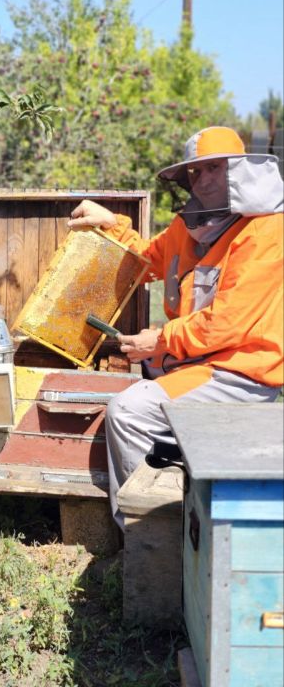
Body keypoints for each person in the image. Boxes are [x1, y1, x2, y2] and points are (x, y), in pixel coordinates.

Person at [67, 126, 284, 529]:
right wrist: (110, 221)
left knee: (128, 412)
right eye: (194, 173)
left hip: (238, 372)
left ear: (240, 171)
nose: (201, 180)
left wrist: (159, 340)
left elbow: (228, 324)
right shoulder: (188, 227)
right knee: (136, 388)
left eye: (213, 168)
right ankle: (179, 495)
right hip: (192, 363)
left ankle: (150, 538)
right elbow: (146, 259)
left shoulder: (268, 231)